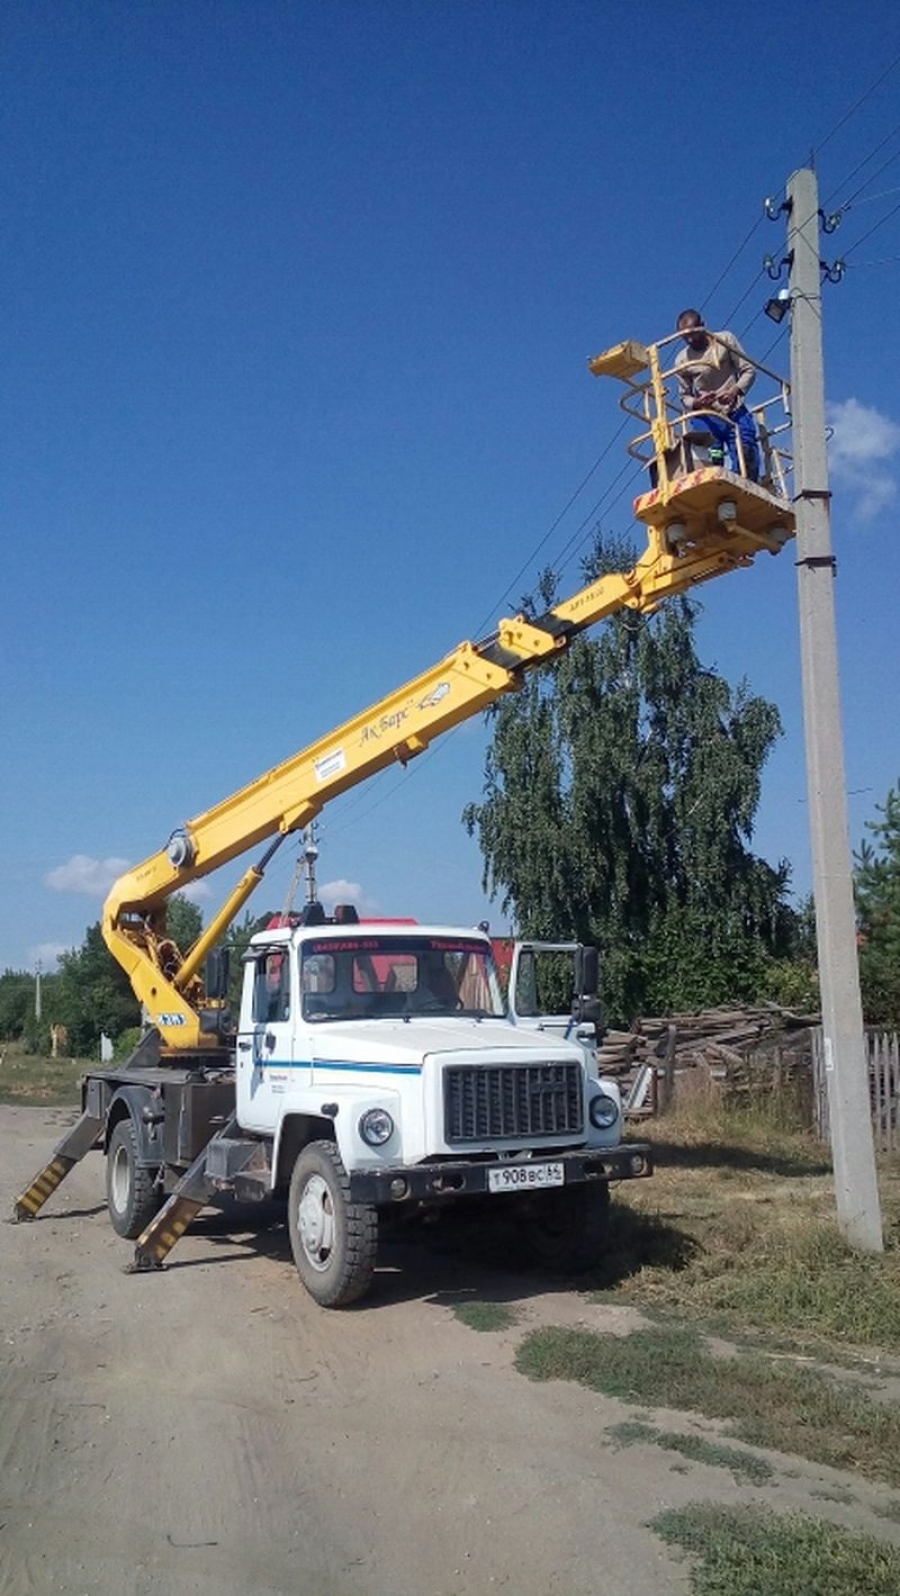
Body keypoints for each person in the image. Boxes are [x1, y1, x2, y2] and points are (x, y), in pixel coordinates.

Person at [674, 309, 760, 481]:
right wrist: (697, 402)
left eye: (693, 334)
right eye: (685, 337)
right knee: (711, 460)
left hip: (734, 411)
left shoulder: (724, 340)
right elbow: (684, 396)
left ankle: (745, 484)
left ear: (703, 326)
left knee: (746, 452)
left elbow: (748, 370)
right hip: (707, 418)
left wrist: (734, 391)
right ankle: (716, 484)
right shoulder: (682, 360)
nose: (690, 340)